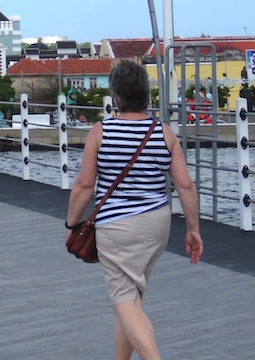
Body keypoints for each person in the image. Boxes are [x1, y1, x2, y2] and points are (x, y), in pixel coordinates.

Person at [65, 60, 202, 360]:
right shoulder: (164, 133)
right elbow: (186, 187)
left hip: (117, 228)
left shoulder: (101, 132)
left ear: (115, 98)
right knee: (131, 299)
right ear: (147, 96)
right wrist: (193, 230)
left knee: (125, 302)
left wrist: (71, 224)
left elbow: (84, 185)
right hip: (156, 225)